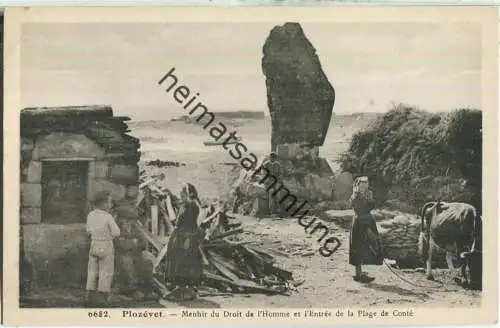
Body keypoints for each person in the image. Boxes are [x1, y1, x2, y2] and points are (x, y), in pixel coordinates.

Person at [164, 183, 204, 302]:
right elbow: (177, 222)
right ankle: (181, 289)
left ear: (188, 193)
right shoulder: (186, 205)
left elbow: (190, 225)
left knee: (183, 261)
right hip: (181, 237)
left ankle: (185, 290)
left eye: (182, 191)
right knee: (178, 261)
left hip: (186, 238)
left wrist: (188, 240)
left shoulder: (192, 206)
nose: (180, 193)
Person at [85, 191, 121, 307]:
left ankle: (89, 294)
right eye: (109, 202)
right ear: (103, 203)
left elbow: (88, 230)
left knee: (92, 271)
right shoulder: (108, 216)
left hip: (94, 244)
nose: (110, 205)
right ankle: (103, 296)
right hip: (106, 245)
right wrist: (109, 235)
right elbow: (116, 232)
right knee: (106, 271)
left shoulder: (90, 215)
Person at [348, 176, 384, 283]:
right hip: (360, 223)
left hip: (367, 221)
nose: (364, 187)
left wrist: (369, 197)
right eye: (361, 186)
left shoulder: (367, 195)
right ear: (357, 186)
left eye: (365, 185)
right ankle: (358, 274)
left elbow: (371, 206)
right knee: (358, 247)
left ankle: (359, 273)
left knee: (366, 248)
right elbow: (360, 211)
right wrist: (367, 228)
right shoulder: (356, 197)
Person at [264, 152, 283, 216]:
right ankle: (271, 210)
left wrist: (278, 179)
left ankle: (278, 210)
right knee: (271, 193)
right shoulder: (266, 164)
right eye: (272, 157)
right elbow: (264, 174)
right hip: (268, 183)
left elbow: (280, 173)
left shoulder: (278, 164)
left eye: (275, 157)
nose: (273, 158)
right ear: (270, 157)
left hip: (276, 182)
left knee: (278, 194)